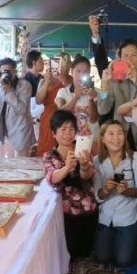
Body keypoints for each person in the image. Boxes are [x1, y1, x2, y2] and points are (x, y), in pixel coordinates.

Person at [92, 120, 137, 267]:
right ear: (103, 139)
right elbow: (97, 197)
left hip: (129, 217)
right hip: (105, 218)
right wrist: (105, 190)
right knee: (101, 257)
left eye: (120, 133)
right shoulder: (96, 161)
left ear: (125, 136)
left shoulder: (136, 158)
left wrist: (127, 191)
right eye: (110, 134)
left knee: (123, 260)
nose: (116, 138)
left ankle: (133, 239)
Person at [43, 110, 97, 257]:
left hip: (88, 209)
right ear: (54, 133)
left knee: (87, 252)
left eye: (72, 129)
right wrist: (66, 167)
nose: (68, 133)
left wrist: (84, 165)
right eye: (63, 129)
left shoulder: (83, 150)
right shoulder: (50, 156)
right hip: (66, 215)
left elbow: (88, 176)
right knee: (70, 252)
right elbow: (52, 178)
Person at [96, 39, 137, 128]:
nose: (129, 59)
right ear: (120, 58)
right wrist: (104, 84)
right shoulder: (114, 75)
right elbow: (103, 110)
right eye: (125, 55)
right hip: (120, 128)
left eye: (133, 55)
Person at [0, 57, 36, 157]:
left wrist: (8, 91)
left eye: (7, 71)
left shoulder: (24, 85)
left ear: (14, 72)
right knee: (10, 164)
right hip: (5, 130)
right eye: (2, 72)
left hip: (21, 130)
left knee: (22, 164)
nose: (5, 75)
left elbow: (21, 109)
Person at [55, 55, 98, 143]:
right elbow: (60, 113)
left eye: (85, 72)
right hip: (70, 140)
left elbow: (93, 119)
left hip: (92, 139)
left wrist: (92, 98)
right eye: (78, 71)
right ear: (72, 71)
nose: (81, 75)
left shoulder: (95, 92)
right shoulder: (63, 92)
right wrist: (76, 97)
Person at [36, 53, 70, 155]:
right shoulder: (44, 81)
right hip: (48, 118)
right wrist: (47, 82)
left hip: (66, 117)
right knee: (47, 147)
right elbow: (38, 100)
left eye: (66, 64)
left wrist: (64, 81)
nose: (63, 67)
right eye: (60, 63)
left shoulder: (71, 80)